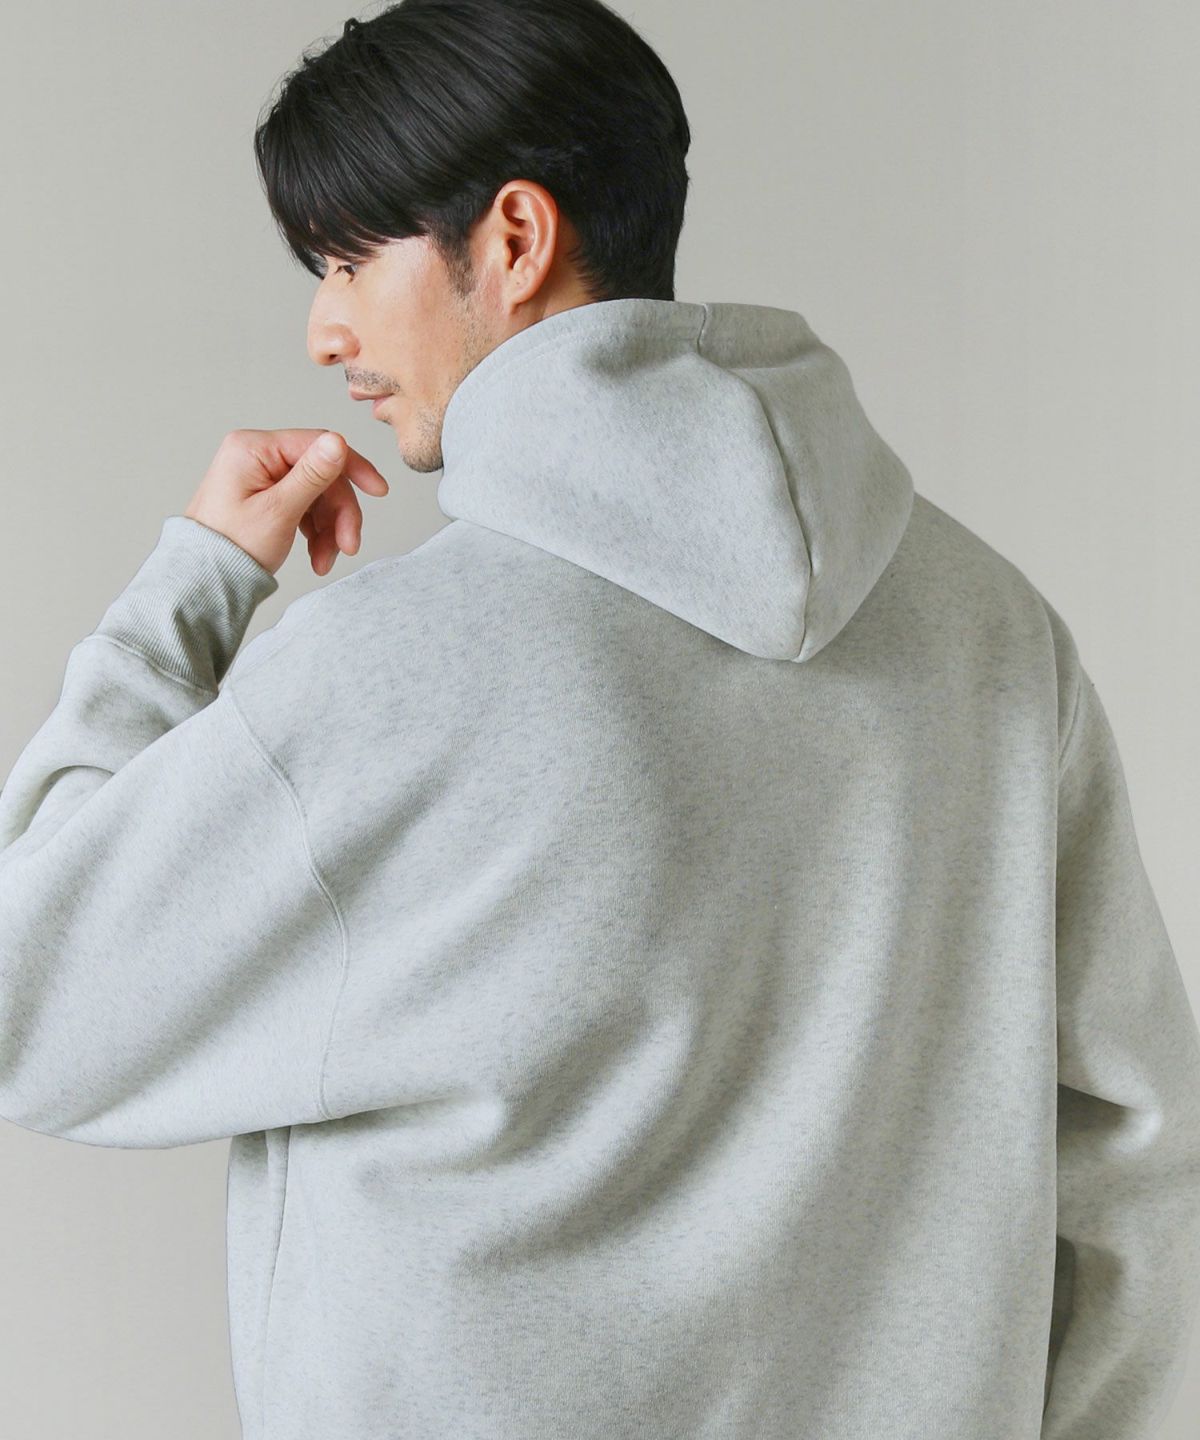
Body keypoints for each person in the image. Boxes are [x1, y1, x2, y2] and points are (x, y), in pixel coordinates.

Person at [2, 2, 1199, 1437]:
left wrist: (190, 587)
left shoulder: (388, 672)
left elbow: (30, 997)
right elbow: (1138, 1166)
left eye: (349, 259)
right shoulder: (993, 633)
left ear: (513, 238)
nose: (326, 330)